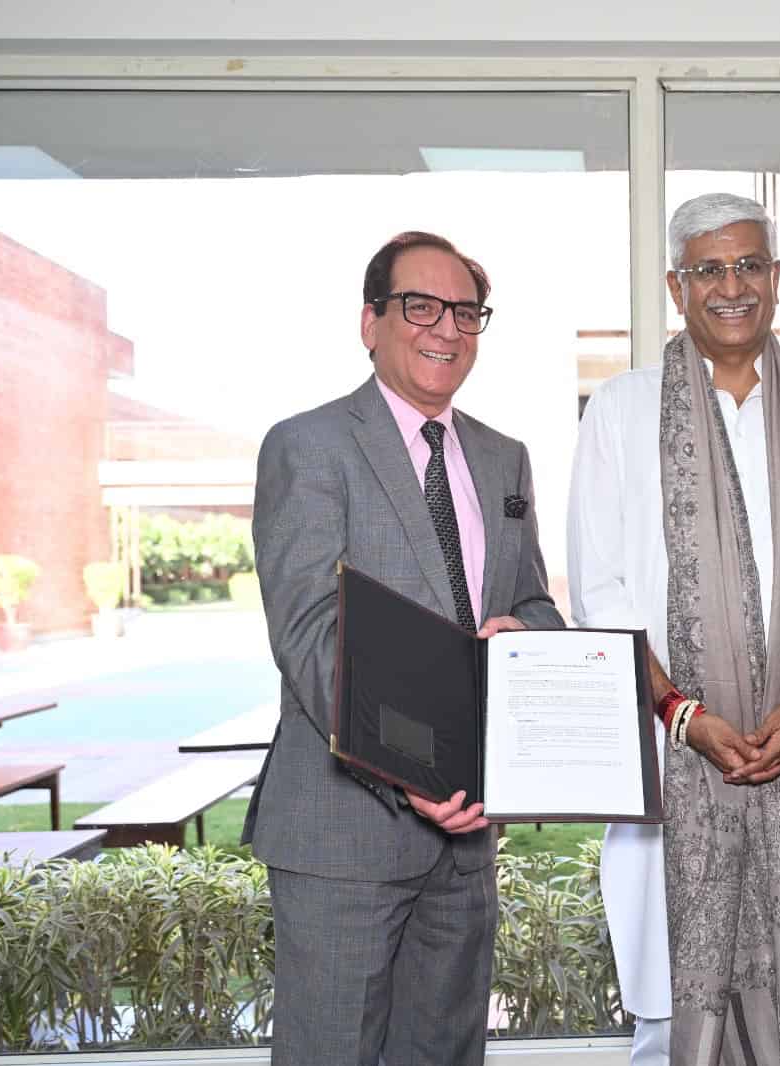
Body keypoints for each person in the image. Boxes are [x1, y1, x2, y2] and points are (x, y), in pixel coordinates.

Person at [567, 192, 780, 1066]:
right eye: (709, 269)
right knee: (666, 1026)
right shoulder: (621, 410)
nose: (731, 286)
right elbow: (600, 598)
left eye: (748, 264)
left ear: (777, 279)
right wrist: (685, 714)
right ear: (678, 287)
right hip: (674, 755)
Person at [244, 231, 562, 1066]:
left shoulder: (504, 458)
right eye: (420, 305)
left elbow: (531, 600)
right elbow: (311, 635)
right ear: (370, 322)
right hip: (343, 831)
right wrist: (415, 776)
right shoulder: (308, 446)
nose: (446, 329)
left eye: (465, 311)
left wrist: (525, 636)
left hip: (466, 842)